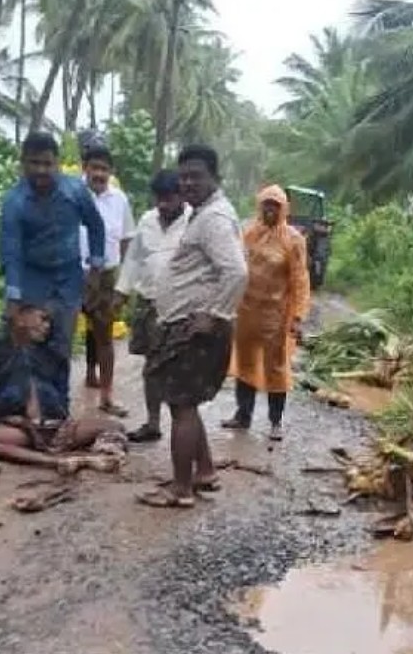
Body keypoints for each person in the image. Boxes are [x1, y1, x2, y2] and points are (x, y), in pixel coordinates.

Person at [135, 145, 248, 509]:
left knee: (181, 406)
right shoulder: (204, 214)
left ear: (215, 177)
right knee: (186, 403)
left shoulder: (213, 218)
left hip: (195, 328)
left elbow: (236, 271)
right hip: (184, 323)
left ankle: (180, 489)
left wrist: (213, 313)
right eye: (183, 176)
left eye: (196, 176)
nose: (188, 183)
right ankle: (205, 472)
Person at [0, 305, 127, 475]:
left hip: (56, 428)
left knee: (114, 427)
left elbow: (63, 400)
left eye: (49, 321)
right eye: (42, 319)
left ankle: (98, 458)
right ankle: (55, 462)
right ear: (20, 316)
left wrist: (64, 427)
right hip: (20, 430)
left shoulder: (55, 353)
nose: (47, 326)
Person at [0, 131, 107, 409]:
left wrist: (95, 268)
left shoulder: (74, 191)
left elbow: (96, 226)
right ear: (23, 163)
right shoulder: (14, 202)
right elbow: (10, 251)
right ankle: (25, 408)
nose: (41, 171)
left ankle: (60, 410)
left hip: (69, 279)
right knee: (28, 347)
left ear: (57, 163)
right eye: (34, 163)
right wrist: (13, 297)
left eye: (47, 164)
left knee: (61, 345)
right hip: (32, 279)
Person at [223, 185, 311, 441]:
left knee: (276, 368)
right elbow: (235, 266)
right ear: (260, 206)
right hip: (246, 311)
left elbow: (300, 280)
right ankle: (243, 415)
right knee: (245, 363)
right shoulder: (249, 232)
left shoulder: (293, 240)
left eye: (275, 205)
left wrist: (297, 317)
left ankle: (275, 421)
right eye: (266, 204)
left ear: (284, 209)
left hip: (275, 315)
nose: (270, 209)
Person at [114, 169, 191, 443]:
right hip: (147, 303)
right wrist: (121, 291)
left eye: (168, 198)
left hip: (179, 307)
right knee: (150, 366)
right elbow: (134, 259)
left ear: (181, 195)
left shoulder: (194, 222)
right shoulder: (147, 221)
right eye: (159, 198)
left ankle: (184, 427)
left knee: (175, 368)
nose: (162, 204)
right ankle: (153, 422)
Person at [77, 144, 135, 414]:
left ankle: (107, 396)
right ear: (84, 168)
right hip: (72, 274)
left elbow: (126, 241)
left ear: (111, 172)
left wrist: (124, 282)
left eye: (104, 169)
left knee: (104, 336)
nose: (99, 173)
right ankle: (52, 399)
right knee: (60, 336)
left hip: (106, 277)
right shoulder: (71, 194)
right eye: (94, 167)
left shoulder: (119, 199)